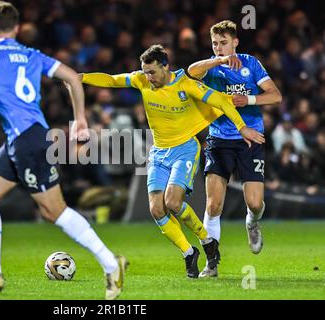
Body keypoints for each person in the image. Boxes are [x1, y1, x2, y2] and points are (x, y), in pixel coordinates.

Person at [0, 1, 127, 300]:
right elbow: (72, 77)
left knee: (54, 211)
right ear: (17, 28)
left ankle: (112, 264)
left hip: (27, 141)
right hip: (22, 138)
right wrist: (80, 119)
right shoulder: (33, 55)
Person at [81, 44, 265, 278]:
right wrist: (81, 78)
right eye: (145, 72)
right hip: (158, 152)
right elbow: (110, 80)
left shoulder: (185, 83)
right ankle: (189, 253)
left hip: (185, 149)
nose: (148, 77)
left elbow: (220, 101)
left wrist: (242, 127)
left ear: (165, 67)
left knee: (173, 202)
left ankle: (206, 240)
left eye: (152, 72)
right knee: (157, 209)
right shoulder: (141, 80)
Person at [188, 20, 282, 277]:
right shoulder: (211, 67)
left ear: (235, 42)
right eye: (215, 44)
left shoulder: (250, 63)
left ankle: (252, 223)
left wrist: (248, 99)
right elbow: (191, 71)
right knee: (213, 205)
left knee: (254, 202)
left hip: (250, 138)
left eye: (224, 43)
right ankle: (212, 263)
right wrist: (218, 61)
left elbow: (275, 96)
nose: (218, 48)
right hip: (219, 139)